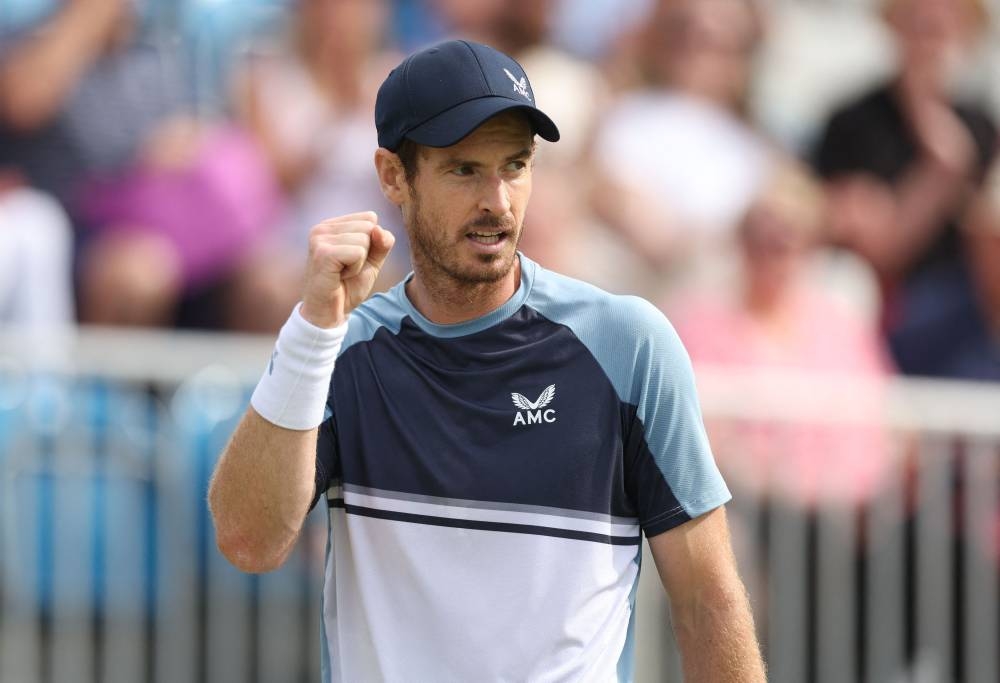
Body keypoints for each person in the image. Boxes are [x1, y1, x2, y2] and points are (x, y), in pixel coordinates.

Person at [208, 39, 765, 681]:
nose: (497, 201)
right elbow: (248, 541)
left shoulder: (628, 343)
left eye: (515, 165)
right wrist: (311, 331)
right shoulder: (338, 349)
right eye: (465, 170)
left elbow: (708, 601)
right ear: (393, 177)